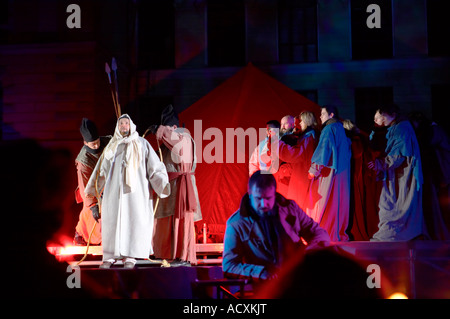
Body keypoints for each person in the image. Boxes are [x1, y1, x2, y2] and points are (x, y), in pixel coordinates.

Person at [85, 114, 170, 268]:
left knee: (134, 221)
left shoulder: (142, 144)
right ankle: (110, 256)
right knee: (112, 222)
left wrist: (161, 182)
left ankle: (131, 256)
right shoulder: (112, 146)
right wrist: (93, 188)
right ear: (118, 127)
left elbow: (154, 167)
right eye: (121, 123)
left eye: (126, 123)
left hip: (136, 194)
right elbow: (101, 170)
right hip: (114, 193)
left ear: (131, 125)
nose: (124, 126)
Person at [222, 171, 330, 281]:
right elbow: (229, 265)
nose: (264, 204)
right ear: (249, 194)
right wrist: (261, 273)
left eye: (268, 198)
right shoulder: (236, 224)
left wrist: (309, 254)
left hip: (299, 279)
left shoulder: (291, 209)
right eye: (258, 198)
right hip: (267, 287)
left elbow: (319, 233)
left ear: (274, 193)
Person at [152, 105, 202, 266]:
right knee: (164, 221)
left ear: (174, 127)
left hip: (181, 187)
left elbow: (175, 143)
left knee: (181, 221)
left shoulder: (184, 139)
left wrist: (161, 130)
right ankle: (164, 253)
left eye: (166, 129)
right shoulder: (167, 144)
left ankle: (183, 256)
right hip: (169, 187)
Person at [368, 105, 425, 241]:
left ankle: (393, 233)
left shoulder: (402, 128)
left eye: (381, 116)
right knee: (391, 202)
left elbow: (398, 154)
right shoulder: (397, 127)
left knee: (394, 203)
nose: (379, 119)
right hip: (397, 174)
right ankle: (393, 232)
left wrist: (379, 164)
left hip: (401, 175)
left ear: (391, 114)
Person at [308, 105, 351, 241]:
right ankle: (335, 233)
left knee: (326, 202)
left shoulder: (328, 129)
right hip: (341, 173)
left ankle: (325, 233)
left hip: (329, 173)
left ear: (331, 115)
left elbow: (323, 150)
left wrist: (313, 170)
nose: (320, 116)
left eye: (323, 113)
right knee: (338, 203)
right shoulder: (340, 129)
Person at [73, 118, 111, 245]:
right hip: (92, 188)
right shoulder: (83, 161)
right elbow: (84, 186)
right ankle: (80, 234)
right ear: (85, 143)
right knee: (91, 213)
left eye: (97, 141)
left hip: (109, 184)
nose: (96, 146)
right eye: (92, 144)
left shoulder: (108, 142)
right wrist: (92, 205)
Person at [276, 111, 318, 211]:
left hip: (301, 179)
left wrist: (278, 145)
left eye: (301, 121)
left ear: (307, 122)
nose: (298, 124)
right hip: (298, 177)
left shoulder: (308, 137)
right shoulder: (305, 136)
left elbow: (296, 154)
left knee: (296, 208)